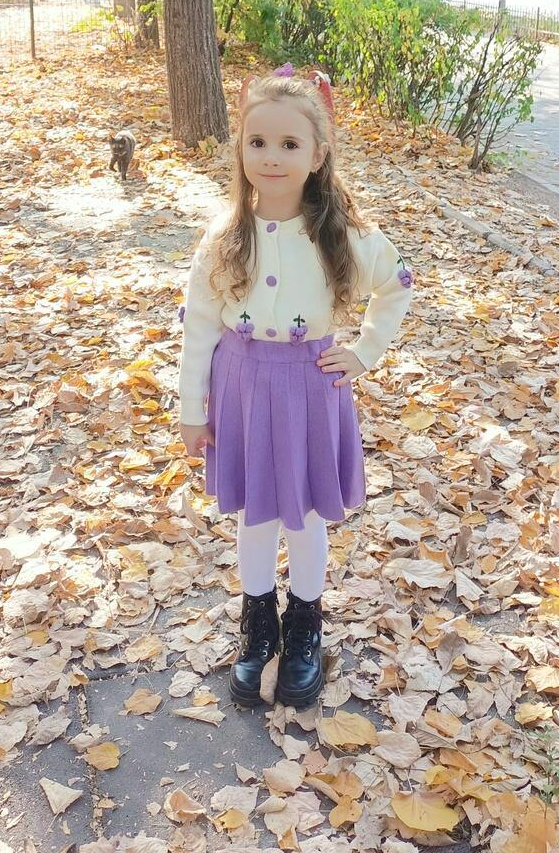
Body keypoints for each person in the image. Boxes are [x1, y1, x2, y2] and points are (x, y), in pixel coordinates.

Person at [177, 63, 414, 712]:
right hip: (242, 388)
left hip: (310, 389)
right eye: (258, 142)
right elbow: (199, 325)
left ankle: (304, 627)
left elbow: (397, 285)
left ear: (317, 153)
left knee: (305, 517)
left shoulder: (346, 237)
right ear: (240, 148)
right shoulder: (224, 238)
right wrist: (193, 408)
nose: (272, 157)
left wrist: (363, 353)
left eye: (289, 144)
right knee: (255, 516)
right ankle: (258, 628)